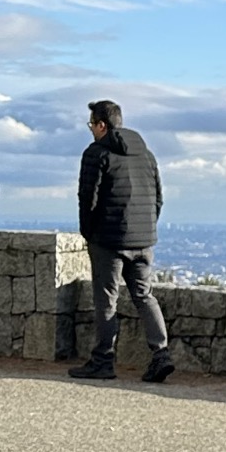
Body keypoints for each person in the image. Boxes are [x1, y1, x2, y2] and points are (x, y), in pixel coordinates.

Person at [70, 100, 174, 385]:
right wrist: (147, 228)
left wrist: (89, 233)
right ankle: (161, 354)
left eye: (91, 124)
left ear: (102, 125)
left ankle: (103, 360)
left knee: (106, 298)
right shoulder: (147, 155)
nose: (91, 129)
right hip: (144, 239)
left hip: (109, 238)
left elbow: (87, 198)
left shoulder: (96, 153)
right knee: (144, 294)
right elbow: (159, 197)